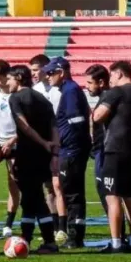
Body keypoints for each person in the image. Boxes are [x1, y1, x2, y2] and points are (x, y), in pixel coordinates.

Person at [5, 65, 59, 254]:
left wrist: (43, 143)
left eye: (9, 78)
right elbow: (54, 125)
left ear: (19, 78)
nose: (7, 82)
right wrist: (54, 150)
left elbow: (24, 126)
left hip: (29, 155)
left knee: (35, 198)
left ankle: (50, 242)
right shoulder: (42, 99)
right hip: (42, 156)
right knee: (29, 199)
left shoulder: (15, 98)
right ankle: (25, 239)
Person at [93, 61, 131, 253]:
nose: (110, 80)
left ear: (120, 74)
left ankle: (115, 243)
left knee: (112, 196)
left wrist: (96, 114)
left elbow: (98, 116)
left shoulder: (117, 92)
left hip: (115, 149)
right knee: (128, 195)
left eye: (112, 76)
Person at [44, 57, 92, 248]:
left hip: (71, 150)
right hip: (71, 149)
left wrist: (69, 145)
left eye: (50, 73)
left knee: (72, 194)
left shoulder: (71, 91)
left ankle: (75, 236)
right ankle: (75, 235)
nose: (47, 77)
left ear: (61, 72)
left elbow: (77, 121)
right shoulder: (69, 90)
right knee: (73, 193)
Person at [84, 64, 126, 244]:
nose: (87, 86)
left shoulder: (109, 97)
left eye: (89, 82)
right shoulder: (105, 97)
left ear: (101, 82)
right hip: (101, 150)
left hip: (106, 151)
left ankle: (118, 237)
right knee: (109, 194)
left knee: (109, 194)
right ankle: (119, 236)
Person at [30, 53, 64, 240]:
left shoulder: (59, 90)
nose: (34, 73)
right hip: (40, 145)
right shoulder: (34, 90)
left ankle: (62, 226)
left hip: (57, 144)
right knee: (46, 187)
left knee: (57, 186)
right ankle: (51, 227)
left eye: (36, 70)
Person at [0, 59, 21, 238]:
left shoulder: (16, 96)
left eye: (1, 77)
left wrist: (12, 141)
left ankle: (9, 223)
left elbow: (24, 124)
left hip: (15, 143)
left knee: (14, 183)